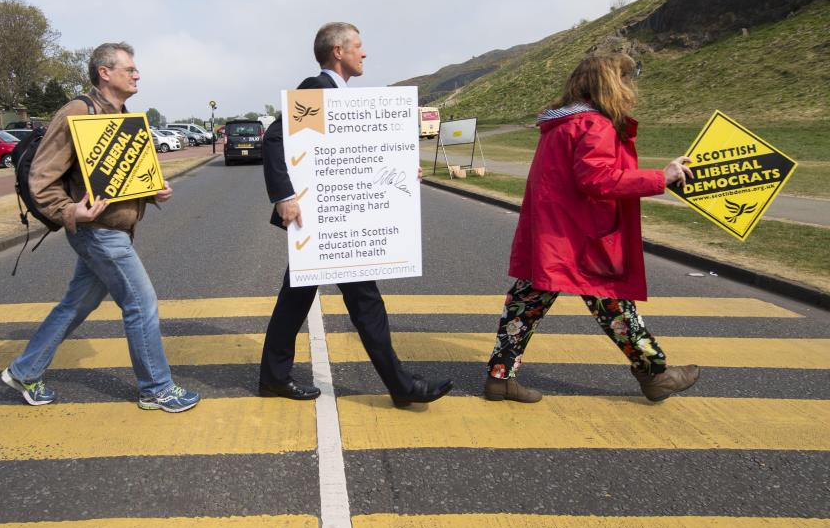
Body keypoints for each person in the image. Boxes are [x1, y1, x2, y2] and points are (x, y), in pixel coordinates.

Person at [484, 53, 699, 404]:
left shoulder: (560, 124)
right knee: (614, 306)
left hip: (552, 236)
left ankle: (500, 377)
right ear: (612, 84)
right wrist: (663, 177)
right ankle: (655, 374)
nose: (631, 88)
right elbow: (597, 179)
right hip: (581, 238)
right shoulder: (593, 125)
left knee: (524, 305)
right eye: (626, 80)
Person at [260, 22, 452, 407]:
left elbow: (350, 160)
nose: (364, 54)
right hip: (322, 221)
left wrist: (401, 170)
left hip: (339, 220)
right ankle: (400, 386)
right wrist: (284, 195)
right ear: (337, 50)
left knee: (309, 301)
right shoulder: (317, 89)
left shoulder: (345, 97)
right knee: (361, 303)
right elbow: (275, 140)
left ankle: (274, 376)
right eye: (358, 47)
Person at [1, 42, 200, 413]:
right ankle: (156, 389)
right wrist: (71, 210)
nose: (137, 74)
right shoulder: (79, 111)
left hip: (116, 230)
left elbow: (125, 177)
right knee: (141, 303)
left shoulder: (123, 114)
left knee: (76, 304)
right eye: (130, 69)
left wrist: (154, 190)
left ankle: (25, 371)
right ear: (104, 72)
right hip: (98, 232)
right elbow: (42, 178)